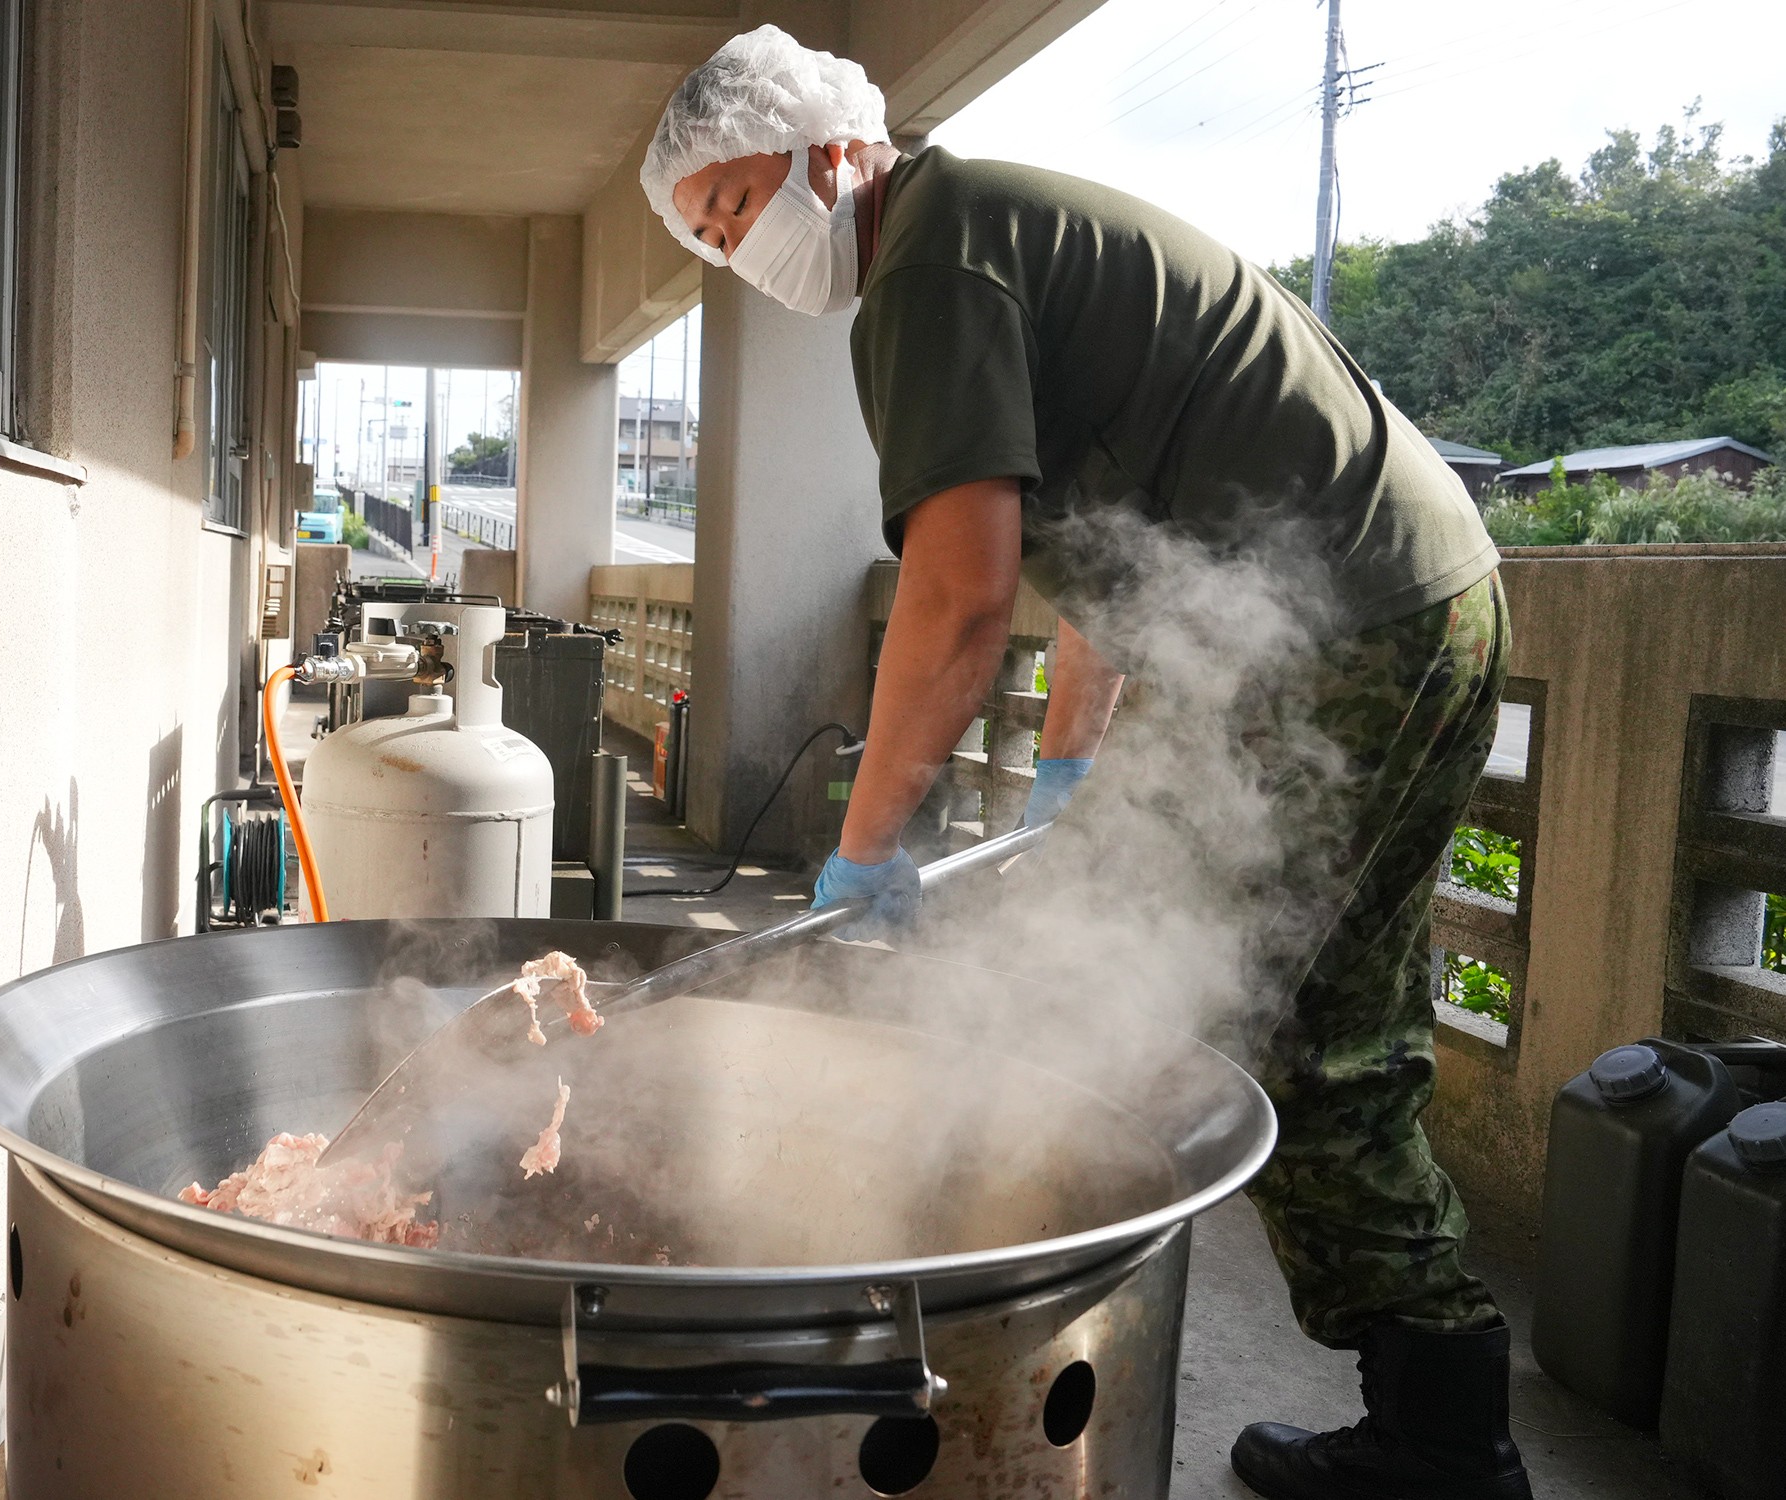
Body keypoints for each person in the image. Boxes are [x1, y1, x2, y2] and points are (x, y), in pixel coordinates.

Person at [641, 26, 1530, 1500]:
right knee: (1326, 1015)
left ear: (830, 146)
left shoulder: (930, 260)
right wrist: (1068, 771)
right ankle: (1440, 1422)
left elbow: (958, 593)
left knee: (1199, 1011)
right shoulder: (982, 231)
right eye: (709, 237)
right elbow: (1111, 560)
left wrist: (867, 843)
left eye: (736, 204)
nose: (738, 249)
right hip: (1401, 600)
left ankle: (1400, 1431)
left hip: (1339, 635)